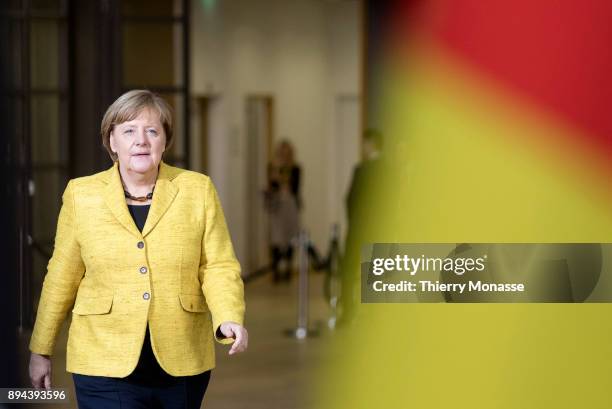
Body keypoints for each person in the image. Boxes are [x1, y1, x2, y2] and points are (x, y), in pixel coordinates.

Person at [28, 90, 248, 409]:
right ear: (112, 142)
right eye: (129, 130)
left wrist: (228, 316)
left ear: (165, 141)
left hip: (182, 361)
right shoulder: (82, 195)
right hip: (102, 361)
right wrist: (41, 348)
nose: (141, 140)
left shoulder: (197, 190)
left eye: (152, 131)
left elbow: (218, 265)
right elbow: (62, 276)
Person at [265, 140, 301, 282]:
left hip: (290, 206)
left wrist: (281, 179)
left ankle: (288, 269)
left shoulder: (296, 168)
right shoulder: (272, 167)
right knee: (276, 238)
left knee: (290, 236)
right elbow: (271, 186)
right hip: (276, 206)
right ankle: (275, 270)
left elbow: (295, 187)